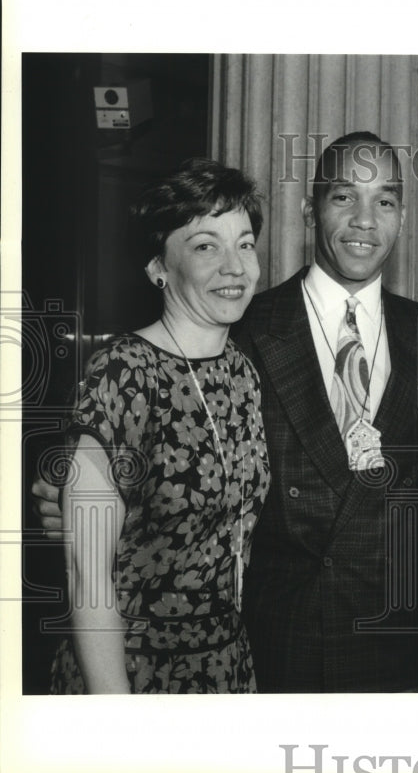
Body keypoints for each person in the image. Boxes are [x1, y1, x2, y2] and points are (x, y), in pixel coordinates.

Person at [37, 132, 418, 692]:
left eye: (386, 200)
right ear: (309, 210)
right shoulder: (240, 330)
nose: (365, 221)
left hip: (384, 653)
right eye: (343, 197)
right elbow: (101, 538)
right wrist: (66, 502)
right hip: (272, 648)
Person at [49, 158, 270, 693]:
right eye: (204, 246)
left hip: (224, 665)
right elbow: (88, 578)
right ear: (158, 268)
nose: (235, 267)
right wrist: (121, 722)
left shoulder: (241, 370)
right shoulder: (122, 374)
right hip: (133, 669)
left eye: (243, 243)